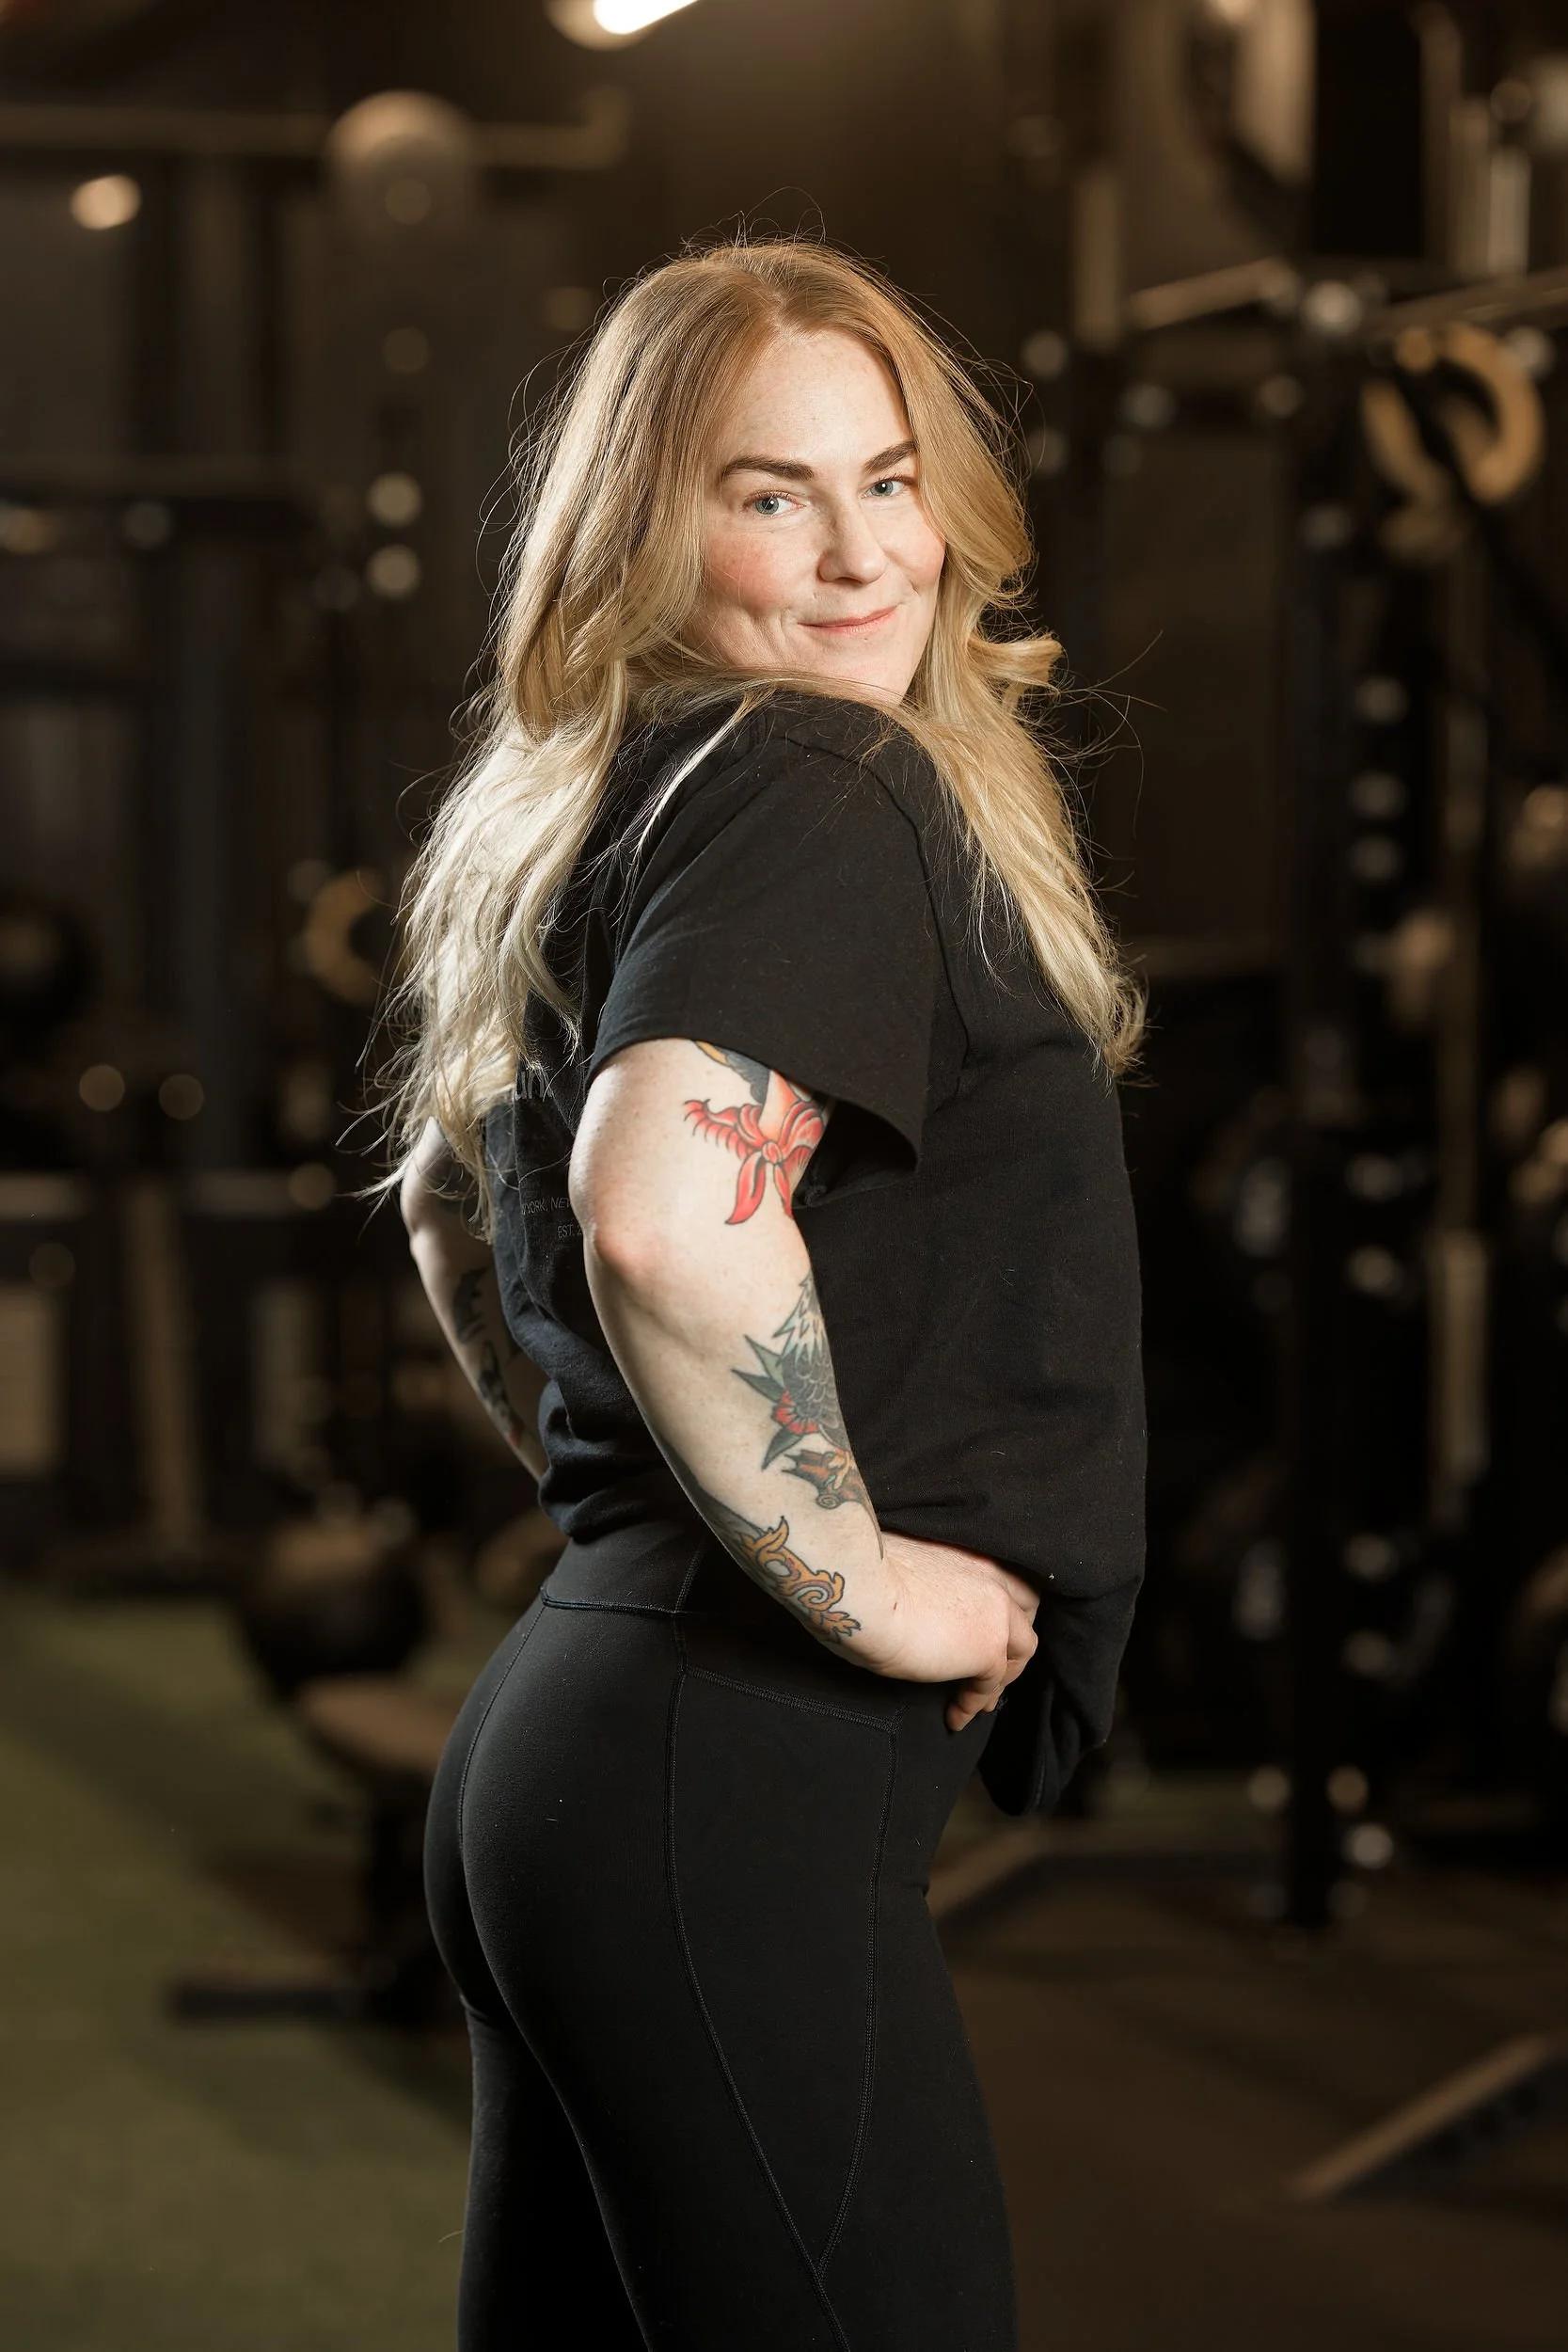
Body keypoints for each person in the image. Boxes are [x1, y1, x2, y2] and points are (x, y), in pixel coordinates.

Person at [396, 237, 1145, 2352]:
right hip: (721, 1760)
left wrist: (649, 1495)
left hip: (584, 1732)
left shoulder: (627, 789)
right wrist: (856, 1575)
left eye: (887, 481)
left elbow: (460, 1218)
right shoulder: (818, 782)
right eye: (763, 492)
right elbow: (651, 1219)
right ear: (645, 528)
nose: (854, 558)